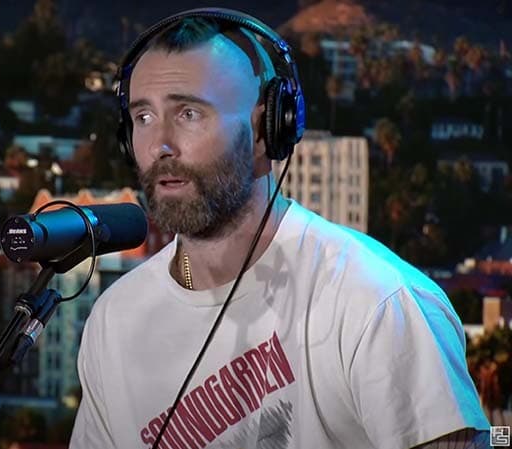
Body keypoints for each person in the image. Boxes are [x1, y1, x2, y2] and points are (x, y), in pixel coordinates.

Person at [69, 8, 491, 449]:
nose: (160, 145)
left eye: (189, 113)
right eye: (143, 118)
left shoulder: (378, 302)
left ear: (267, 128)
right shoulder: (114, 322)